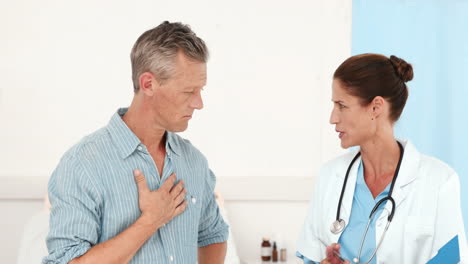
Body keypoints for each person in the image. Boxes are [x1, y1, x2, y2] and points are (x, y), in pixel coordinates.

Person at [43, 21, 229, 264]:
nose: (198, 103)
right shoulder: (82, 165)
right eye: (188, 91)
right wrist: (150, 221)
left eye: (200, 90)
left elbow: (213, 234)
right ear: (148, 84)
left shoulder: (194, 162)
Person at [296, 54, 467, 264]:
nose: (333, 118)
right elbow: (311, 256)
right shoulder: (330, 176)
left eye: (341, 105)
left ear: (376, 107)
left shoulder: (439, 181)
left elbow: (451, 260)